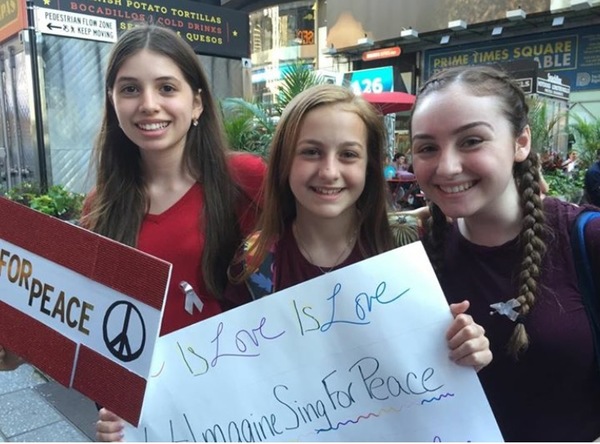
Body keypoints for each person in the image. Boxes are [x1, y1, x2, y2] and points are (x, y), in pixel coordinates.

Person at [225, 84, 491, 369]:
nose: (329, 172)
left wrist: (470, 345)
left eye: (348, 154)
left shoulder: (416, 242)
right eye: (311, 152)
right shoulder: (254, 261)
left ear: (370, 166)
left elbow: (456, 334)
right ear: (284, 162)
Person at [88, 24, 265, 441]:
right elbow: (105, 326)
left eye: (166, 87)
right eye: (129, 89)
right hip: (152, 424)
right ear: (113, 102)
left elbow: (304, 271)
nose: (149, 105)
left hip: (246, 411)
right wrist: (109, 411)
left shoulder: (246, 180)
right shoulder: (99, 206)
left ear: (197, 102)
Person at [409, 65, 600, 441]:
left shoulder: (587, 238)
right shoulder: (415, 253)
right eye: (427, 147)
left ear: (521, 142)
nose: (447, 167)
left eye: (472, 141)